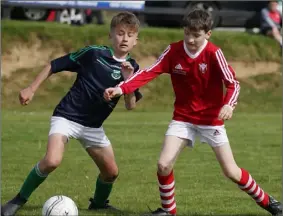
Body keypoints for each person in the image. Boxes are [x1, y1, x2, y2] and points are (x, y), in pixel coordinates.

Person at [104, 9, 282, 216]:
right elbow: (149, 72)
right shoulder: (173, 51)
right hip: (183, 119)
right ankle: (168, 211)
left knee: (231, 171)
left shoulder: (214, 53)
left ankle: (270, 203)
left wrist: (228, 105)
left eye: (196, 35)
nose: (190, 39)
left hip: (211, 121)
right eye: (187, 33)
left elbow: (233, 83)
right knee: (163, 165)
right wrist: (121, 88)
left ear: (208, 34)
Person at [1, 11, 142, 216]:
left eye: (130, 35)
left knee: (111, 172)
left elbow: (131, 105)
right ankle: (17, 200)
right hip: (67, 116)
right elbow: (54, 65)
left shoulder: (133, 67)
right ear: (110, 36)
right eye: (120, 33)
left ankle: (99, 204)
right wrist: (31, 88)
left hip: (93, 126)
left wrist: (127, 81)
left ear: (136, 40)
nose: (125, 38)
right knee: (52, 161)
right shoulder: (94, 54)